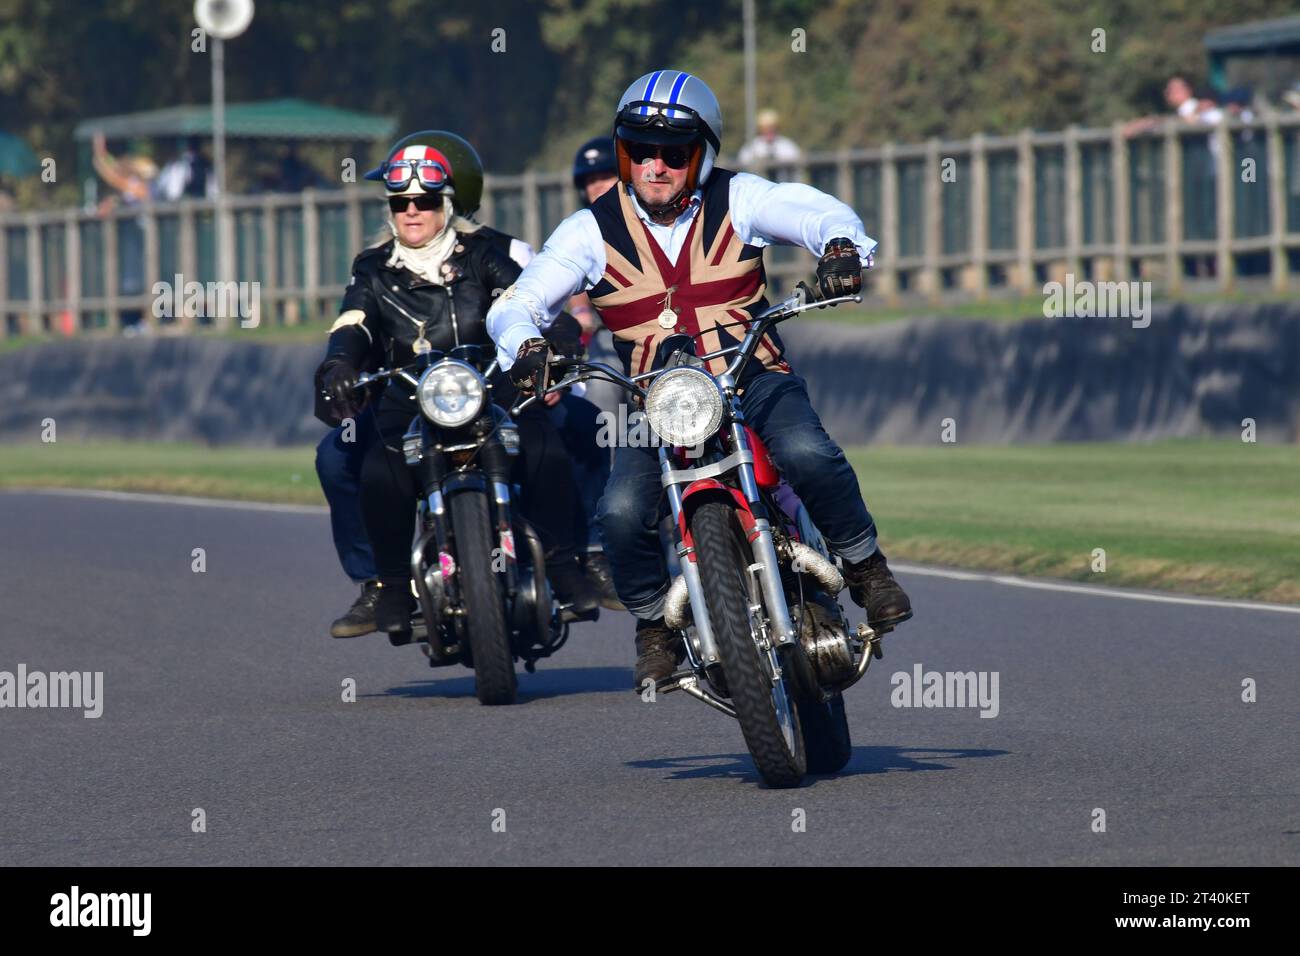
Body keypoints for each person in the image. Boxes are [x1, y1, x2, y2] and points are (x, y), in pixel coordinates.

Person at [487, 70, 913, 687]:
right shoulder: (589, 231)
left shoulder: (740, 197)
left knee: (806, 451)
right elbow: (518, 300)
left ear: (702, 153)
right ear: (623, 154)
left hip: (751, 377)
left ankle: (866, 567)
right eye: (639, 151)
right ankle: (653, 626)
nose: (654, 167)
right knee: (623, 512)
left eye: (672, 153)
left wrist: (842, 248)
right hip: (653, 401)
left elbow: (816, 211)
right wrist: (525, 343)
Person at [313, 130, 599, 635]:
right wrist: (338, 366)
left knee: (545, 447)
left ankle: (565, 563)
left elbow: (526, 298)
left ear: (446, 204)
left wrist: (559, 339)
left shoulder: (482, 254)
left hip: (490, 390)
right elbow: (353, 322)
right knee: (379, 470)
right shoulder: (373, 268)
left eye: (424, 201)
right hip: (408, 397)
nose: (412, 212)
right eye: (401, 203)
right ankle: (390, 588)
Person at [737, 108, 802, 166]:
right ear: (760, 128)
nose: (770, 130)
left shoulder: (787, 145)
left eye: (772, 126)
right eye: (766, 127)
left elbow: (798, 161)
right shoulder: (751, 147)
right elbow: (743, 163)